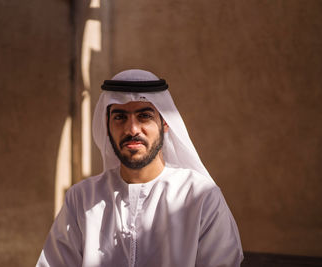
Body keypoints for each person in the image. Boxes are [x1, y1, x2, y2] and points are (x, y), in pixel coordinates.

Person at [37, 69, 243, 267]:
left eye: (144, 116)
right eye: (120, 117)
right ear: (107, 126)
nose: (132, 129)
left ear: (165, 123)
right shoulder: (82, 199)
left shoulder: (200, 196)